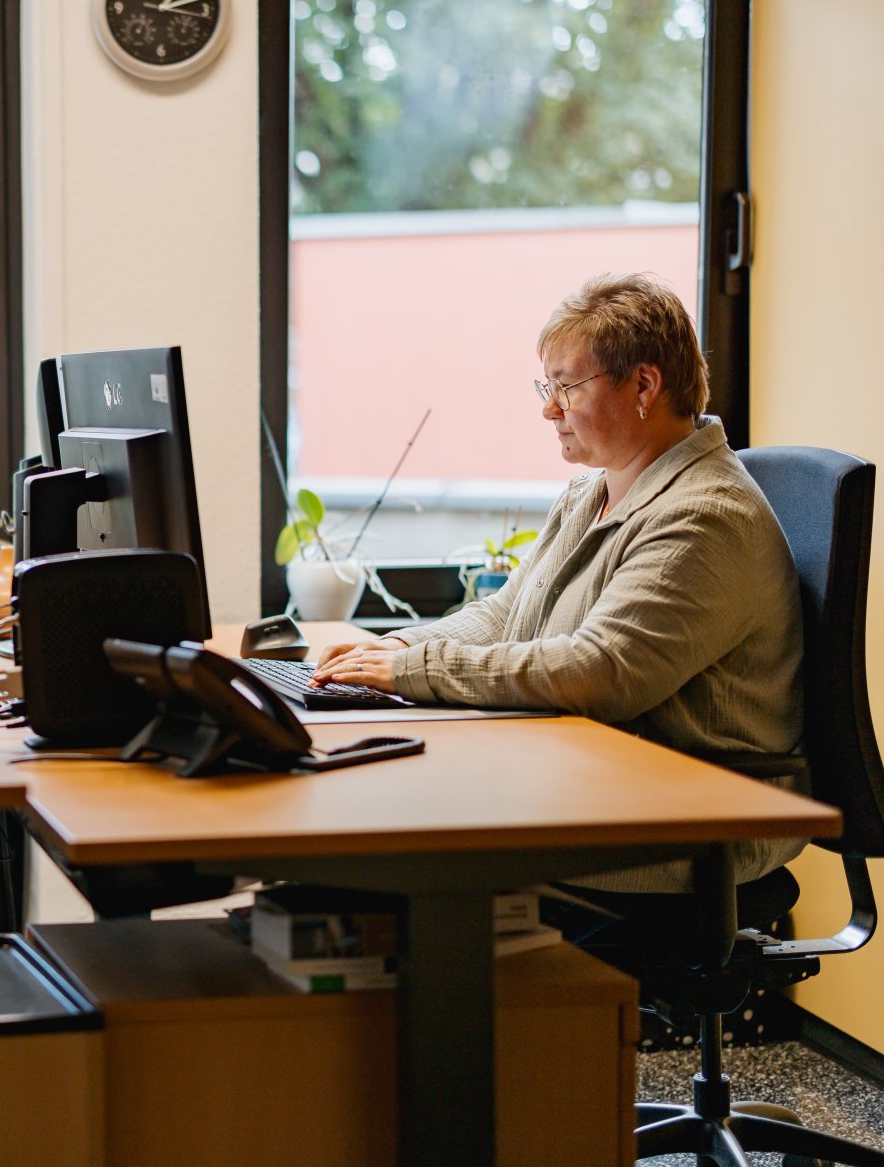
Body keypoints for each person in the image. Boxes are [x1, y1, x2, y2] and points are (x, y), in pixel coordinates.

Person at [311, 272, 805, 913]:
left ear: (644, 386)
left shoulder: (704, 517)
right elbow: (507, 613)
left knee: (392, 840)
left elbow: (600, 672)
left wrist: (412, 668)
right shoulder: (593, 490)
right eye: (548, 387)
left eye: (566, 387)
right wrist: (395, 647)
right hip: (593, 778)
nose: (549, 408)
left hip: (685, 821)